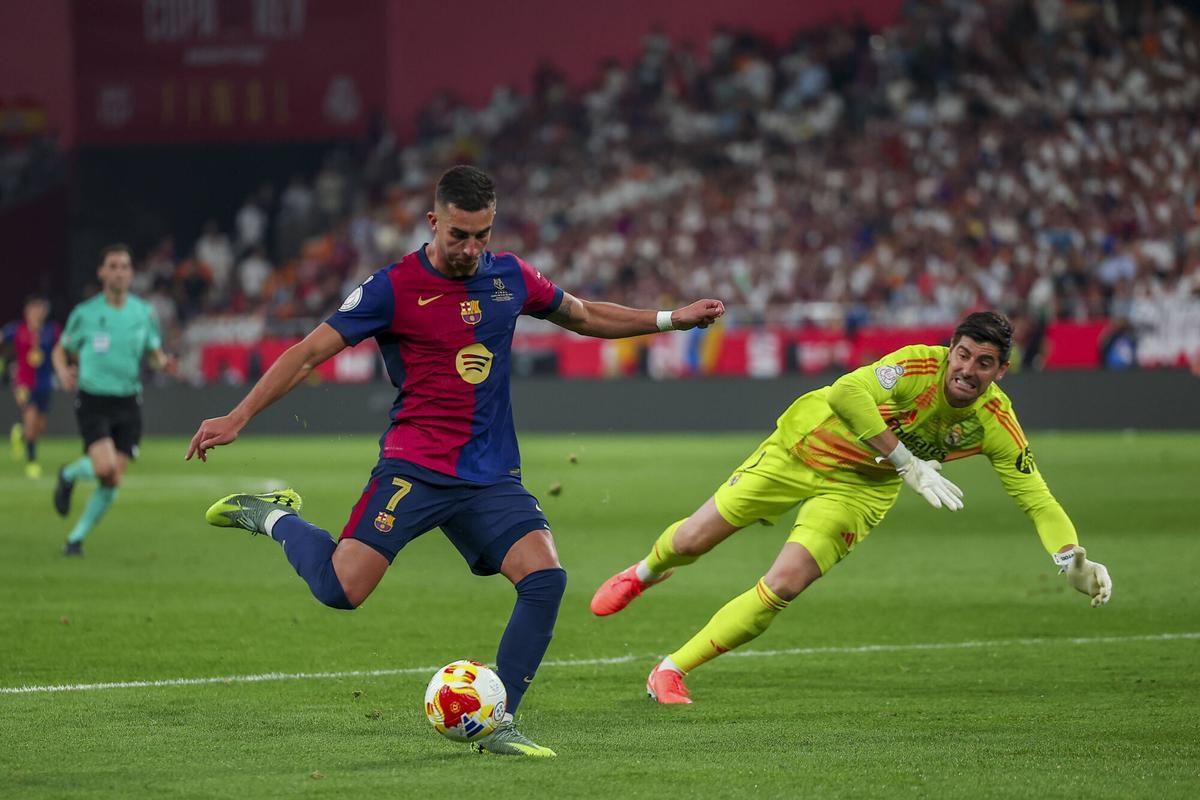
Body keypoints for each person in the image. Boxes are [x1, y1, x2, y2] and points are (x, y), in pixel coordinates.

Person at [186, 165, 725, 757]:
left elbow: (584, 314)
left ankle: (498, 723)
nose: (470, 249)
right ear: (433, 222)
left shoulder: (510, 277)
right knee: (342, 590)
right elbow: (309, 352)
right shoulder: (391, 288)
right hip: (415, 467)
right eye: (459, 235)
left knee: (545, 580)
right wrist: (238, 417)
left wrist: (672, 319)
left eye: (482, 236)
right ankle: (274, 516)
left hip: (491, 474)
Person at [590, 311, 1113, 704]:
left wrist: (1069, 558)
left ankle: (671, 669)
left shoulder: (995, 422)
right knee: (691, 541)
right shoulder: (913, 367)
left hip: (860, 489)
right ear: (949, 350)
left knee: (785, 584)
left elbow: (1036, 497)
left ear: (1001, 371)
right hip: (803, 447)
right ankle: (645, 572)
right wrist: (908, 461)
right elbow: (845, 393)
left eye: (984, 363)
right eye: (963, 355)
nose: (968, 370)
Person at [51, 244, 175, 556]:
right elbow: (60, 349)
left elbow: (154, 353)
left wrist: (164, 363)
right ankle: (68, 475)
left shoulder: (143, 313)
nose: (119, 271)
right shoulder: (86, 313)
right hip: (94, 399)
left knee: (112, 478)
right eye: (113, 266)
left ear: (132, 273)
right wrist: (63, 370)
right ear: (102, 272)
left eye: (125, 266)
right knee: (105, 467)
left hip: (128, 401)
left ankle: (75, 538)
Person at [2, 296, 60, 478]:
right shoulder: (17, 329)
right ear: (27, 311)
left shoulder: (52, 331)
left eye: (40, 309)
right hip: (24, 383)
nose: (37, 313)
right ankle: (32, 462)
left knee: (39, 426)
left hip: (45, 383)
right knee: (31, 415)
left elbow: (64, 346)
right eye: (34, 309)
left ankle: (20, 434)